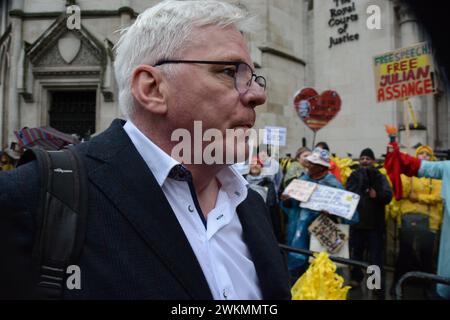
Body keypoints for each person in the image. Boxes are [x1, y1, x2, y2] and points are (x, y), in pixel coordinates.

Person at [0, 0, 290, 300]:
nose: (258, 95)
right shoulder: (26, 198)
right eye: (229, 72)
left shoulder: (252, 205)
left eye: (253, 78)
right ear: (152, 89)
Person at [280, 147, 358, 282]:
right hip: (302, 233)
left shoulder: (334, 185)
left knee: (326, 271)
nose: (308, 165)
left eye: (313, 163)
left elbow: (349, 213)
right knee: (300, 273)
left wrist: (332, 213)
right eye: (309, 162)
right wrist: (286, 200)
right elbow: (291, 208)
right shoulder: (301, 182)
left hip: (324, 231)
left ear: (322, 167)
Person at [385, 141, 450, 299]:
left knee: (427, 258)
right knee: (404, 256)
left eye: (428, 154)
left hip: (430, 221)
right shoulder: (445, 167)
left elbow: (436, 197)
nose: (425, 156)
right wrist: (396, 154)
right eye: (422, 153)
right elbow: (412, 169)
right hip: (410, 219)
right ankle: (398, 285)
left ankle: (428, 288)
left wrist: (419, 197)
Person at [345, 148, 392, 298]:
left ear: (373, 161)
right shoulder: (353, 176)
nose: (365, 160)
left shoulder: (380, 177)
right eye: (362, 158)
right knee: (356, 253)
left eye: (368, 158)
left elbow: (388, 196)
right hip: (357, 224)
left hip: (375, 225)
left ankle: (374, 283)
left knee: (375, 256)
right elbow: (347, 194)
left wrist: (376, 195)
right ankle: (356, 278)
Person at [245, 156, 282, 242]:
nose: (255, 165)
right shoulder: (242, 182)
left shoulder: (269, 183)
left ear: (261, 167)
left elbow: (273, 207)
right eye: (252, 163)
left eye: (258, 164)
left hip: (265, 219)